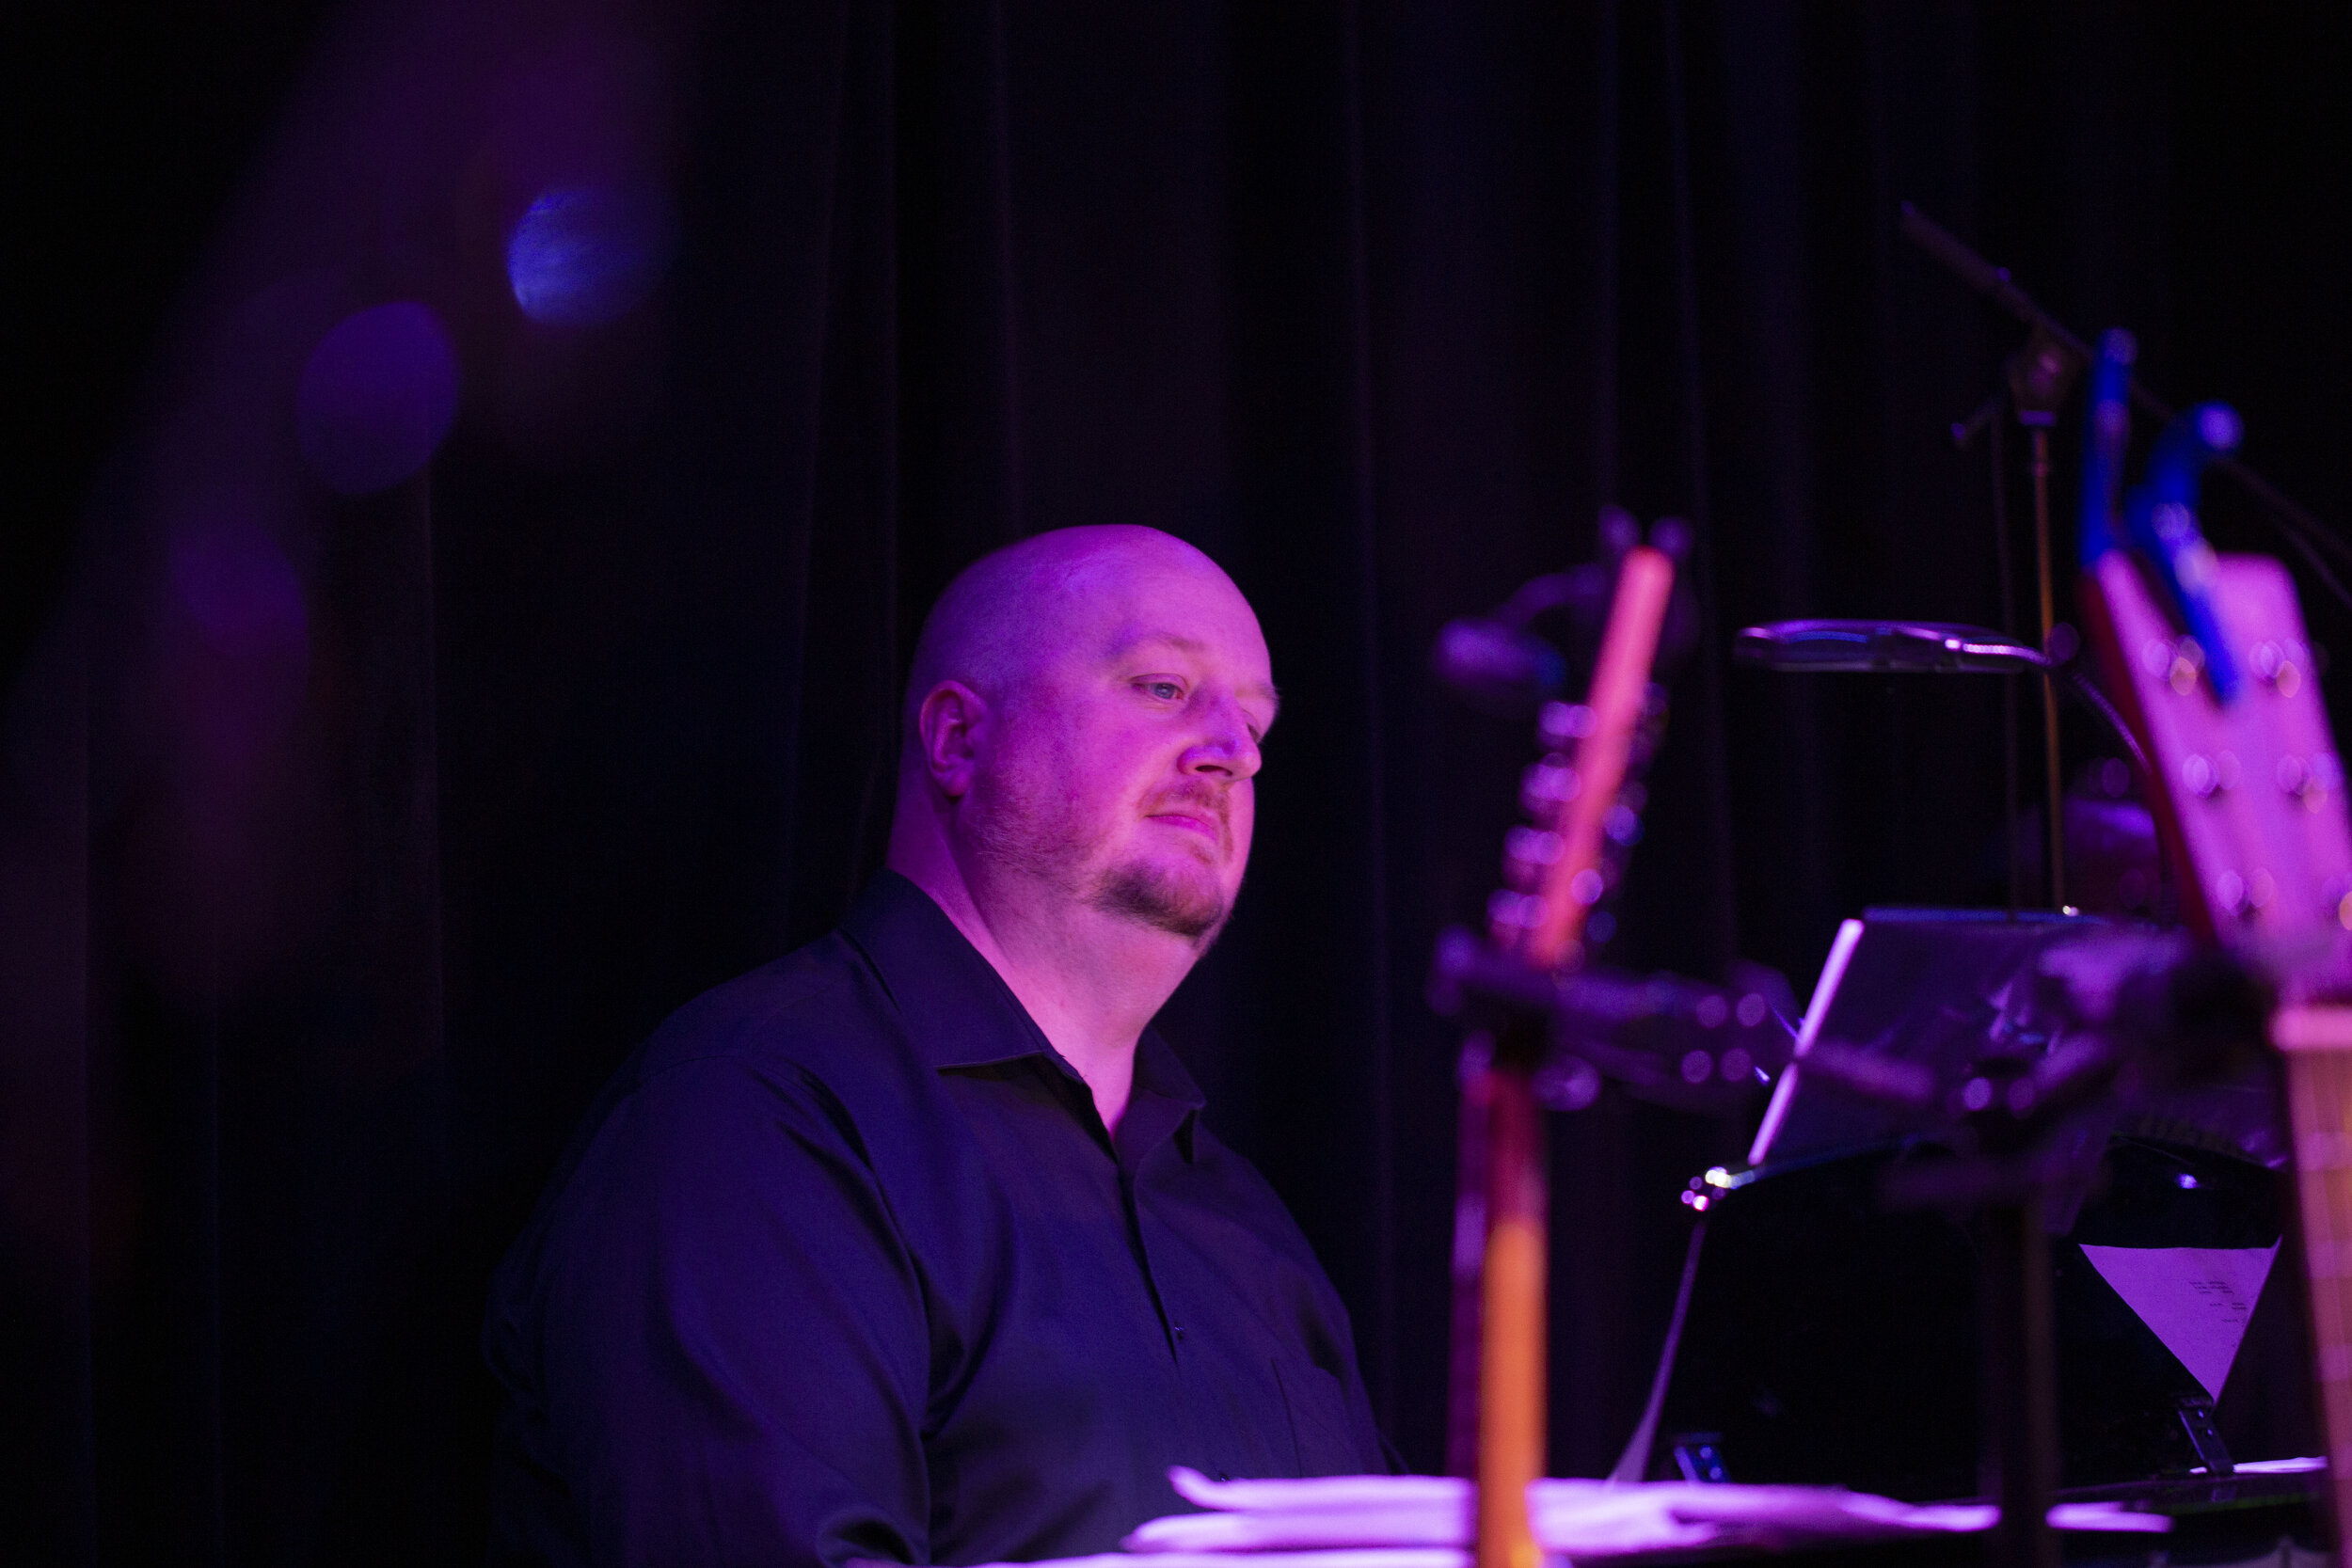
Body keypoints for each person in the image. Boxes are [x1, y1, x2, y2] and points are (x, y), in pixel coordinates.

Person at [484, 525, 1390, 1568]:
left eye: (1255, 723)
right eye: (1161, 687)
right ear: (958, 740)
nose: (1230, 749)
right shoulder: (755, 1115)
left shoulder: (1244, 1226)